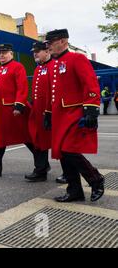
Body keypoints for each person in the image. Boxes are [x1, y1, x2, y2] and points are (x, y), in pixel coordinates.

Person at [44, 29, 104, 202]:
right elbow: (52, 92)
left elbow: (90, 83)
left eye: (51, 43)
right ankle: (74, 190)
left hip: (74, 113)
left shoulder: (77, 58)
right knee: (62, 152)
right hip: (59, 115)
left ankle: (95, 178)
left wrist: (92, 108)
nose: (48, 46)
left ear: (63, 41)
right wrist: (48, 113)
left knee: (69, 150)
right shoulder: (54, 64)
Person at [0, 44, 39, 178]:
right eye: (0, 53)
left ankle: (41, 166)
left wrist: (19, 105)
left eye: (5, 52)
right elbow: (5, 89)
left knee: (26, 137)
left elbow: (22, 87)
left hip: (13, 110)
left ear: (11, 54)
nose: (1, 55)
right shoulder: (1, 69)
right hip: (2, 111)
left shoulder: (17, 66)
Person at [25, 42, 53, 182]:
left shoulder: (53, 66)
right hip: (38, 112)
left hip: (50, 112)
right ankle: (41, 170)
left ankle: (69, 173)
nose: (35, 53)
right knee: (36, 140)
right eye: (34, 51)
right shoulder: (38, 68)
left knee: (60, 144)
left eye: (38, 51)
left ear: (47, 51)